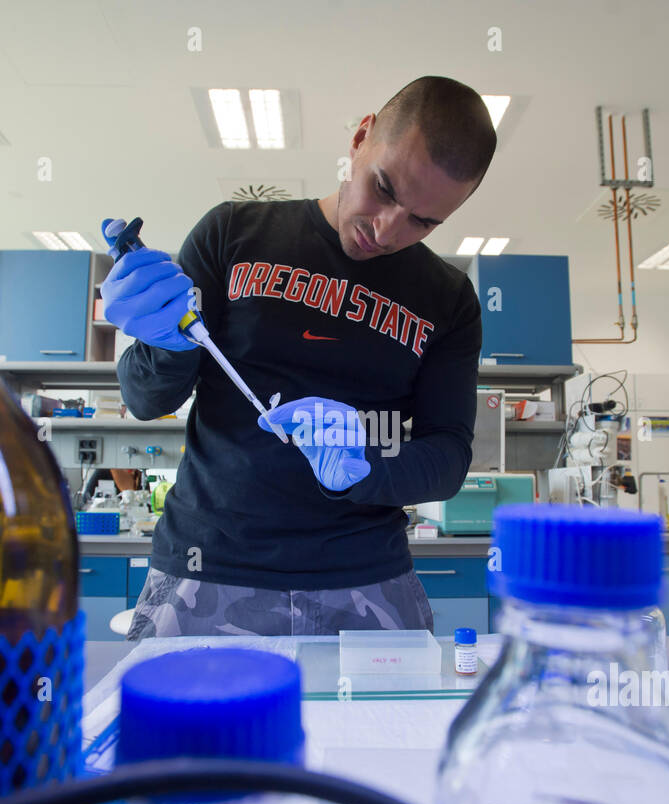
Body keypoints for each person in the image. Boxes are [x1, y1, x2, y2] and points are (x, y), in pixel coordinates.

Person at [102, 76, 496, 640]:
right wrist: (163, 341)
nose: (386, 230)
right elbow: (146, 399)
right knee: (186, 732)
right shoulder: (233, 232)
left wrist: (366, 468)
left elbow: (449, 454)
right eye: (383, 188)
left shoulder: (449, 300)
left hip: (366, 581)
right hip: (206, 570)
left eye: (423, 221)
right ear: (361, 137)